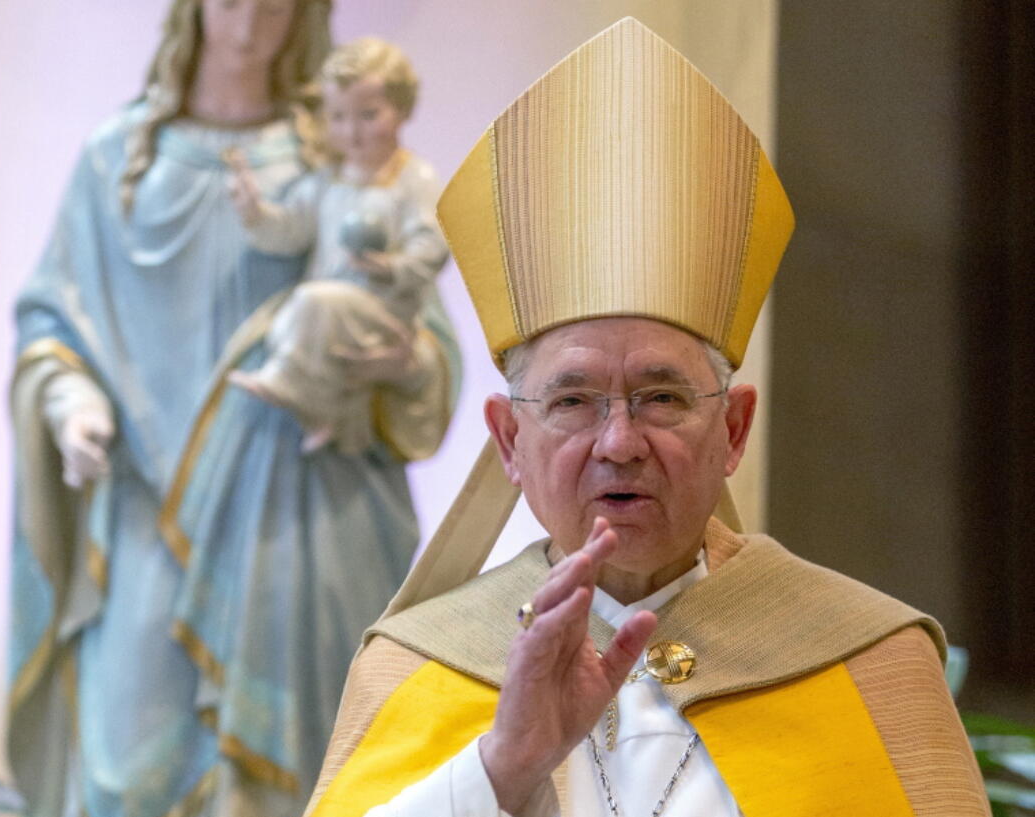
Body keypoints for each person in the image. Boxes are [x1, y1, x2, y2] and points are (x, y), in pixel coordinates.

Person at [304, 18, 989, 817]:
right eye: (571, 402)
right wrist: (501, 767)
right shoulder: (418, 664)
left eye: (662, 397)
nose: (620, 443)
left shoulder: (869, 660)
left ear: (732, 430)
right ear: (508, 439)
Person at [8, 2, 459, 816]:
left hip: (300, 514)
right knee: (129, 766)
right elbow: (51, 316)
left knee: (315, 765)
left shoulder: (339, 150)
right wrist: (71, 400)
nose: (251, 17)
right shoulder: (119, 161)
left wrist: (407, 362)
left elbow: (413, 317)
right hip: (150, 506)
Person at [227, 37, 448, 455]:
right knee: (295, 314)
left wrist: (392, 267)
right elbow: (290, 229)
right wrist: (254, 211)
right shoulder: (326, 180)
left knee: (312, 302)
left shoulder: (412, 179)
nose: (352, 131)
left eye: (368, 115)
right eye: (338, 117)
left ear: (402, 110)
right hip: (329, 310)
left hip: (383, 312)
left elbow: (433, 243)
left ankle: (287, 383)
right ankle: (324, 412)